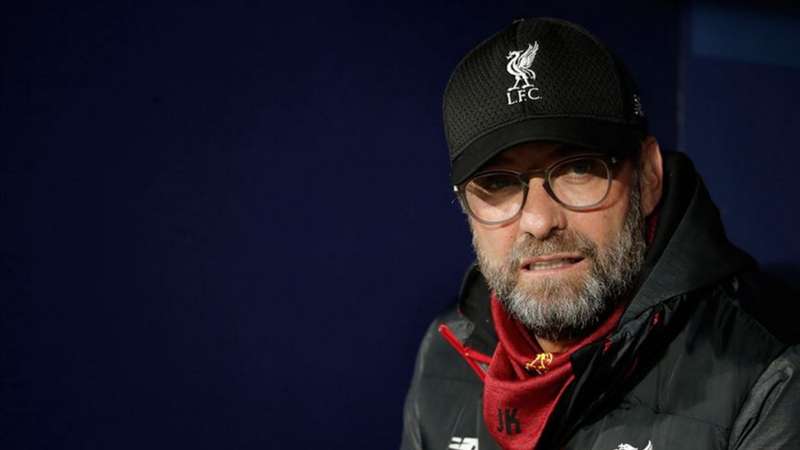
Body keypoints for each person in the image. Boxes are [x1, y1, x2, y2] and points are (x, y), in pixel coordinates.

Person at [400, 17, 800, 450]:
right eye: (497, 182)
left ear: (648, 176)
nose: (539, 221)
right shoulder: (445, 353)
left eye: (578, 168)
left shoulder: (770, 374)